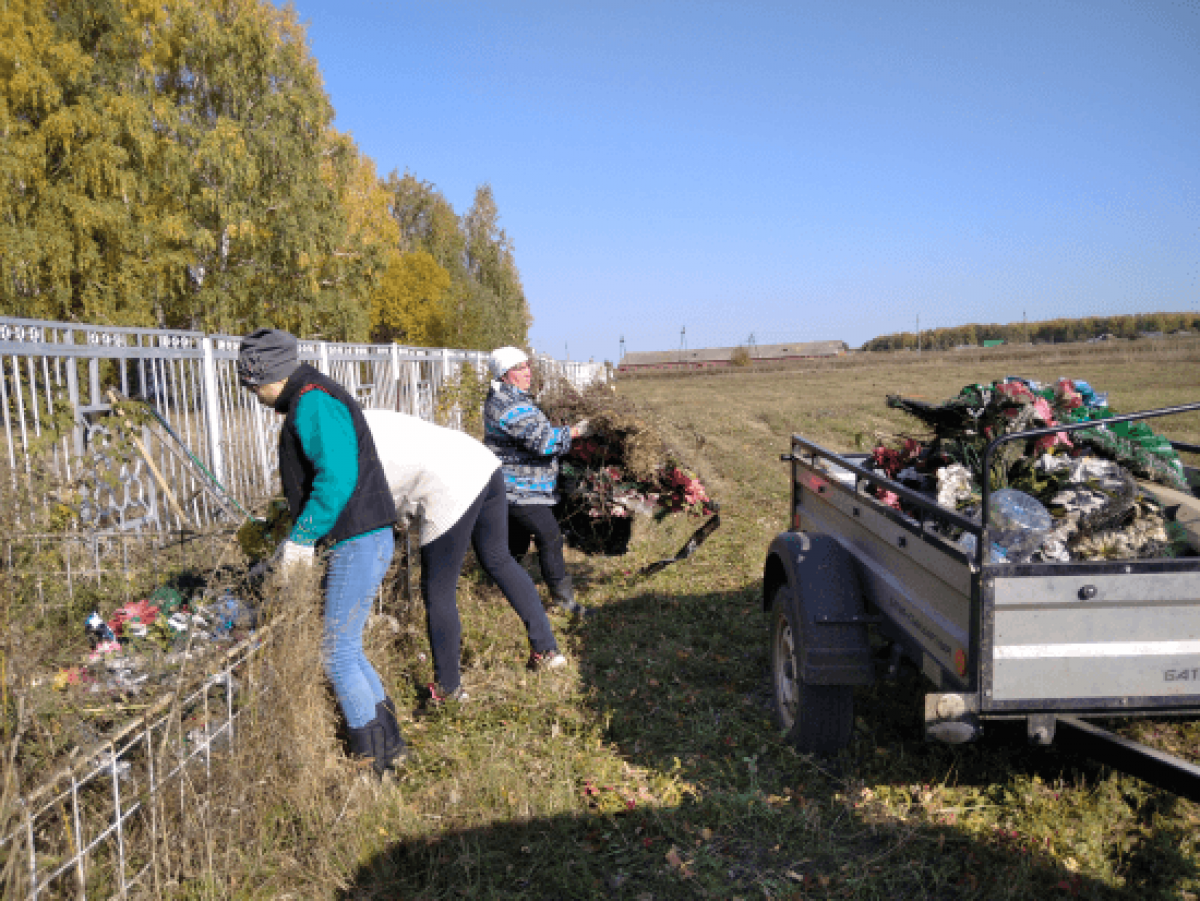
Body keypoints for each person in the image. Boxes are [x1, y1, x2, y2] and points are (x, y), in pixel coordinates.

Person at [237, 328, 403, 777]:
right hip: (362, 536)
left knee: (336, 653)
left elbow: (336, 476)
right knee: (349, 649)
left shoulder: (312, 400)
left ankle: (373, 767)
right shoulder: (312, 395)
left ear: (268, 374)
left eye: (252, 385)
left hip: (355, 538)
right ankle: (390, 747)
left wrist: (302, 537)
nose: (253, 395)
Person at [362, 409, 566, 704]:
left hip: (450, 483)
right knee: (499, 558)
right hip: (480, 461)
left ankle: (448, 688)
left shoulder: (348, 445)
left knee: (438, 589)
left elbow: (377, 509)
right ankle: (547, 650)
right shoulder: (366, 417)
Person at [483, 347, 589, 618]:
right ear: (506, 375)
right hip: (521, 488)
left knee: (515, 542)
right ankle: (564, 602)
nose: (528, 372)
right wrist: (577, 431)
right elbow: (542, 442)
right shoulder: (511, 405)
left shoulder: (509, 398)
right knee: (549, 536)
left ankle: (495, 590)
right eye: (520, 368)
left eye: (527, 365)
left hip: (512, 487)